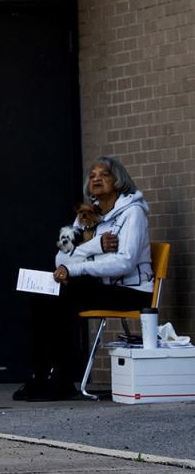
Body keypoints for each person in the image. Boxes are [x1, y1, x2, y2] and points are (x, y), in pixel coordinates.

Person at [12, 156, 153, 402]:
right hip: (99, 286)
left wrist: (75, 268)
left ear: (118, 181)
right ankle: (42, 375)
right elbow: (61, 257)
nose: (96, 178)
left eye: (104, 174)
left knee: (63, 298)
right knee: (44, 295)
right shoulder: (86, 215)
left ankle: (62, 379)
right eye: (92, 176)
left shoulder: (133, 213)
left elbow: (125, 261)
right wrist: (96, 244)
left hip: (131, 291)